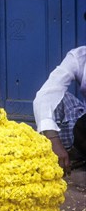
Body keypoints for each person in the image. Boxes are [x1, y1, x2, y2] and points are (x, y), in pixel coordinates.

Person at [33, 46, 86, 175]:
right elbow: (46, 94)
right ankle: (67, 156)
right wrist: (53, 139)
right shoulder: (79, 57)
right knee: (58, 99)